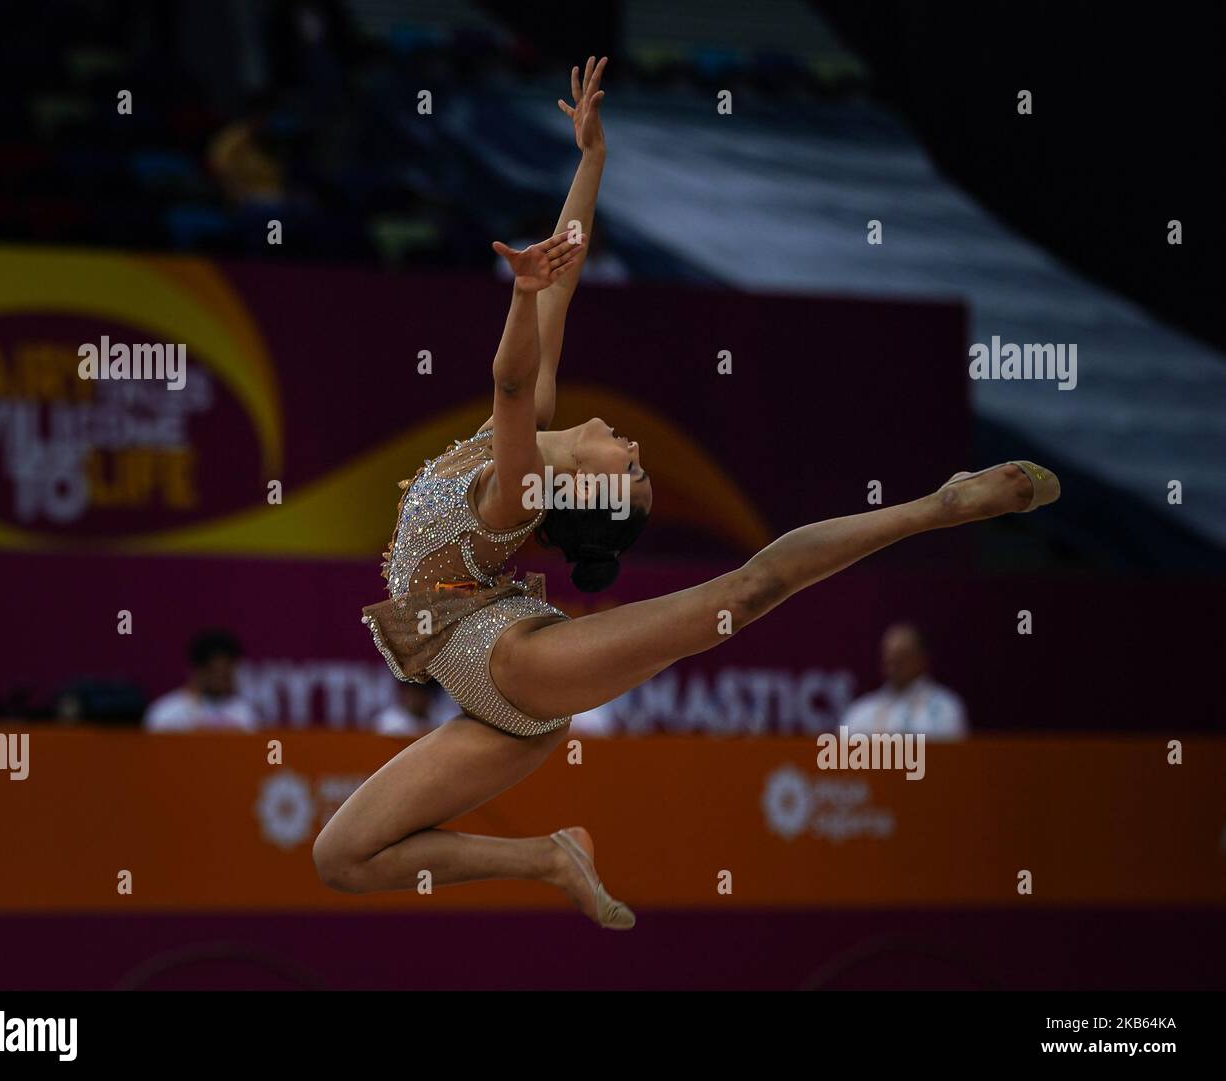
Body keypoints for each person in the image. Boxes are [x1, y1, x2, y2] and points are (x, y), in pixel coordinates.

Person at [313, 58, 1059, 929]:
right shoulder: (518, 441)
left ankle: (942, 503)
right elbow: (564, 283)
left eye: (628, 470)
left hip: (518, 673)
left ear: (576, 491)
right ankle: (549, 855)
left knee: (740, 594)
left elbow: (513, 376)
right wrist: (591, 161)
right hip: (483, 679)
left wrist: (519, 299)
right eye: (635, 462)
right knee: (342, 858)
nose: (632, 448)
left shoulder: (514, 487)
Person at [840, 623, 968, 740]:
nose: (894, 665)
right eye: (890, 657)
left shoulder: (945, 709)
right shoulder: (861, 711)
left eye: (902, 657)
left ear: (921, 659)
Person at [143, 629, 258, 732]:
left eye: (228, 672)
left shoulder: (244, 713)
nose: (223, 678)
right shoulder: (167, 713)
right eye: (216, 671)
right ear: (198, 670)